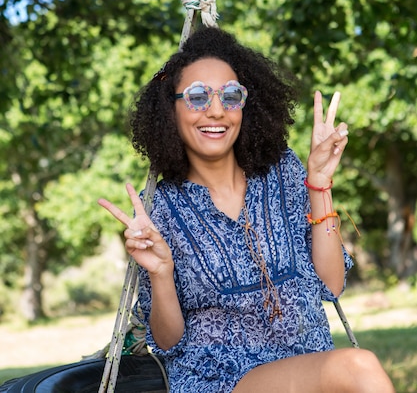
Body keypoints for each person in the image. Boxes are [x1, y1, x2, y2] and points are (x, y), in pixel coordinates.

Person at [99, 26, 395, 393]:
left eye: (231, 95)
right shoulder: (160, 208)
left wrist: (319, 182)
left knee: (351, 369)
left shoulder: (282, 170)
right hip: (222, 379)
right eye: (196, 97)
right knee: (359, 366)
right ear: (169, 110)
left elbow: (331, 285)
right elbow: (168, 340)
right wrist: (161, 272)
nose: (217, 111)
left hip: (311, 368)